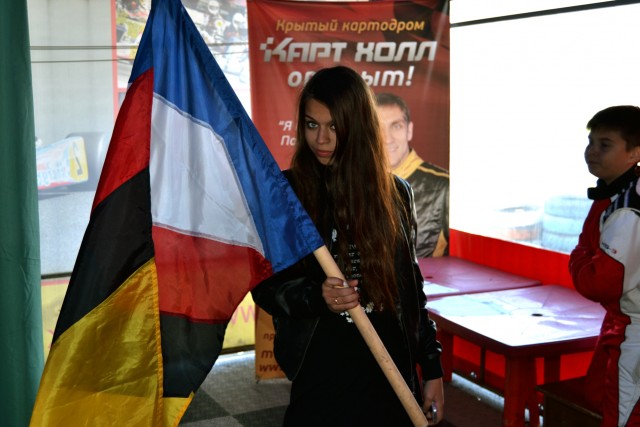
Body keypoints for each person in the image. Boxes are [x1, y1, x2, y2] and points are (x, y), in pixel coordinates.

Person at [251, 66, 445, 426]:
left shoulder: (396, 193)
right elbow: (265, 285)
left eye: (335, 126)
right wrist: (316, 295)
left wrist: (431, 367)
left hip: (389, 371)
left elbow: (411, 290)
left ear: (357, 126)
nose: (321, 139)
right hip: (322, 371)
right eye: (312, 124)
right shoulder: (287, 194)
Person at [569, 105, 640, 427]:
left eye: (605, 144)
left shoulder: (627, 209)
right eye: (591, 142)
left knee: (622, 417)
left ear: (634, 153)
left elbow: (598, 283)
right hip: (621, 322)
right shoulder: (616, 192)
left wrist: (579, 255)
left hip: (632, 328)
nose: (592, 151)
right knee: (597, 395)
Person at [375, 92, 449, 258]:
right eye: (378, 128)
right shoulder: (354, 185)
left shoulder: (445, 187)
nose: (387, 139)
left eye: (396, 126)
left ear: (409, 130)